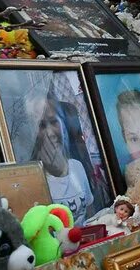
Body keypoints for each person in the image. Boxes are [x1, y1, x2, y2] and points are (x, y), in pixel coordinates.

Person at [30, 95, 95, 224]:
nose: (50, 133)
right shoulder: (35, 180)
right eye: (42, 125)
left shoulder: (77, 166)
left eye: (53, 122)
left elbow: (90, 214)